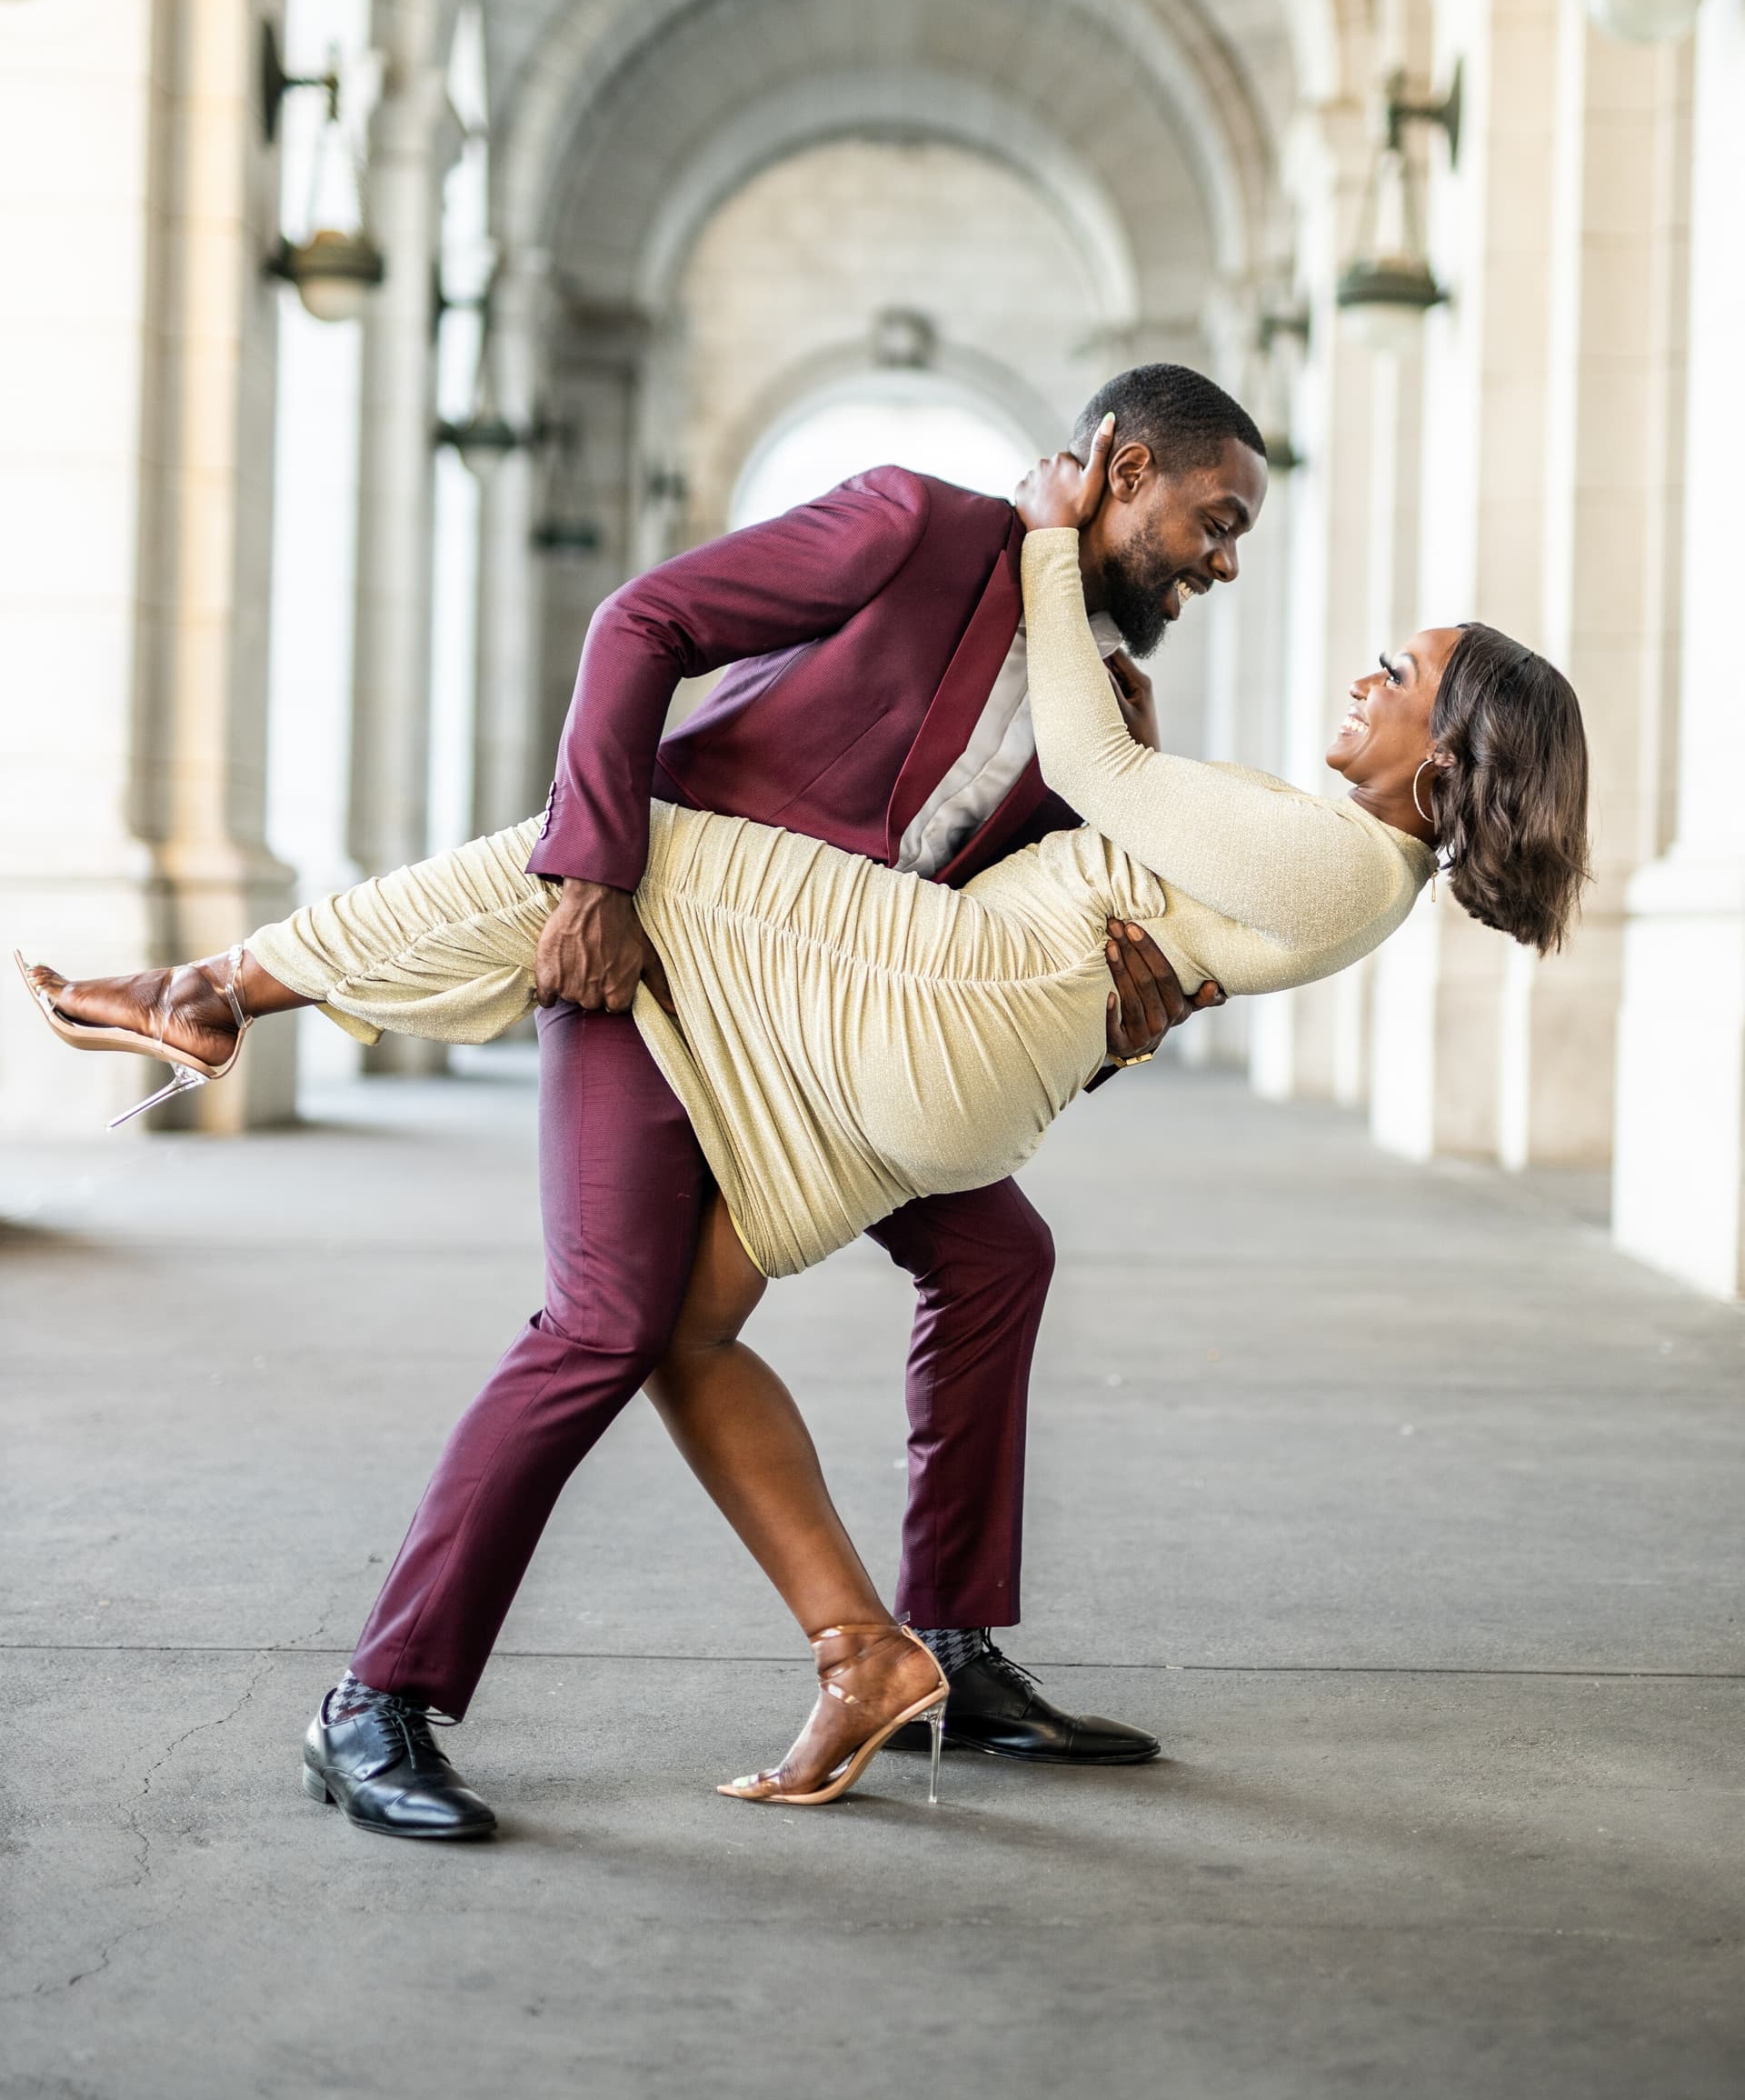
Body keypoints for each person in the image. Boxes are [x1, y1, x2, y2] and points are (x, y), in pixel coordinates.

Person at [20, 400, 1592, 1824]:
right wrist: (589, 872)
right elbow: (643, 621)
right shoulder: (923, 528)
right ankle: (472, 1690)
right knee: (639, 1313)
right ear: (1125, 474)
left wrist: (1136, 1013)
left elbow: (1114, 899)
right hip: (693, 974)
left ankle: (922, 1648)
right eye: (1214, 524)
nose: (1220, 568)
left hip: (866, 1016)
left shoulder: (1103, 700)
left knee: (918, 1200)